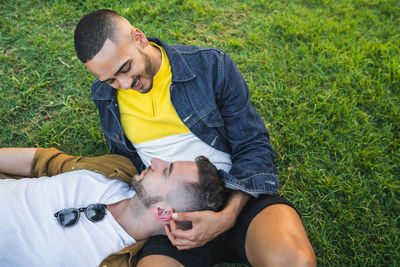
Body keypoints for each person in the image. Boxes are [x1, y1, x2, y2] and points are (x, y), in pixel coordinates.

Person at [74, 9, 316, 266]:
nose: (124, 84)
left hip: (240, 198)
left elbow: (253, 145)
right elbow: (126, 163)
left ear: (139, 38)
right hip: (169, 225)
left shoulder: (211, 66)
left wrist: (227, 216)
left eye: (126, 68)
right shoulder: (104, 94)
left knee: (294, 262)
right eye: (111, 79)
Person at [0, 147, 228, 267]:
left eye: (166, 171)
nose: (155, 162)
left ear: (163, 212)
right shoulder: (115, 170)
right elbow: (44, 161)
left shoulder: (114, 260)